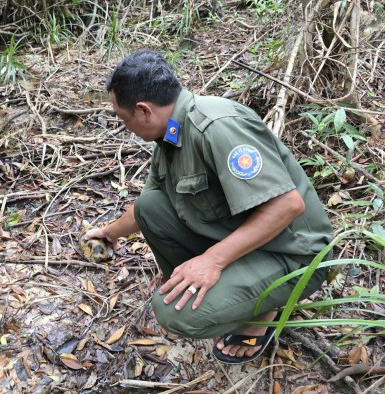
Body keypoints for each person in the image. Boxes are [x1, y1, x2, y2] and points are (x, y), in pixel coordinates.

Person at [85, 50, 333, 364]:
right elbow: (144, 206)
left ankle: (260, 312)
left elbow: (287, 205)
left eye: (124, 119)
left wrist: (211, 262)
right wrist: (108, 233)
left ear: (143, 110)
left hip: (295, 256)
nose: (126, 127)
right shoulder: (172, 133)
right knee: (151, 206)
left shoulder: (215, 126)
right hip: (251, 240)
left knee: (174, 313)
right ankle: (236, 293)